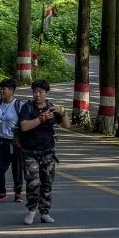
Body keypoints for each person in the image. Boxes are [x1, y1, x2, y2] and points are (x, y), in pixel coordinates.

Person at [17, 79, 70, 224]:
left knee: (47, 183)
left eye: (40, 92)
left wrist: (63, 112)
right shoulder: (27, 108)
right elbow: (24, 127)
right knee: (33, 183)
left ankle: (45, 212)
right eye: (35, 92)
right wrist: (41, 118)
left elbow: (67, 126)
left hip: (47, 152)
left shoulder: (52, 108)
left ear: (46, 93)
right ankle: (31, 211)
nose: (37, 95)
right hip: (30, 152)